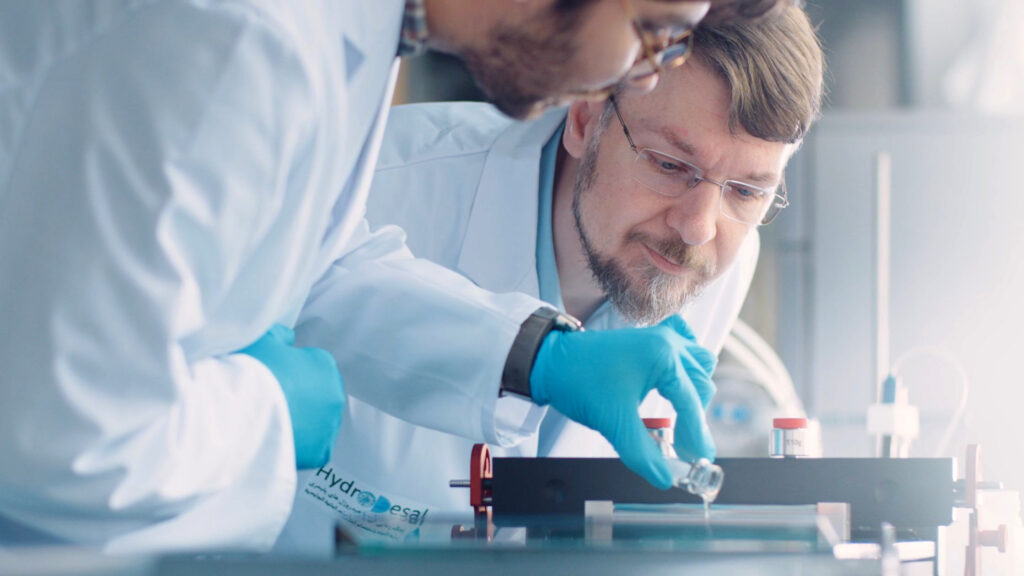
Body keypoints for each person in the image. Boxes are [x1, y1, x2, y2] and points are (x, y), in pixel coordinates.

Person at [0, 0, 790, 552]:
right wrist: (269, 416)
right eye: (653, 33)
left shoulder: (352, 33)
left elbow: (324, 257)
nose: (644, 74)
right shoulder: (248, 36)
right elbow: (66, 432)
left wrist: (536, 357)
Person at [278, 4, 824, 548]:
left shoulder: (721, 257)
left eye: (747, 191)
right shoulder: (379, 186)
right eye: (669, 165)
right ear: (585, 119)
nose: (698, 227)